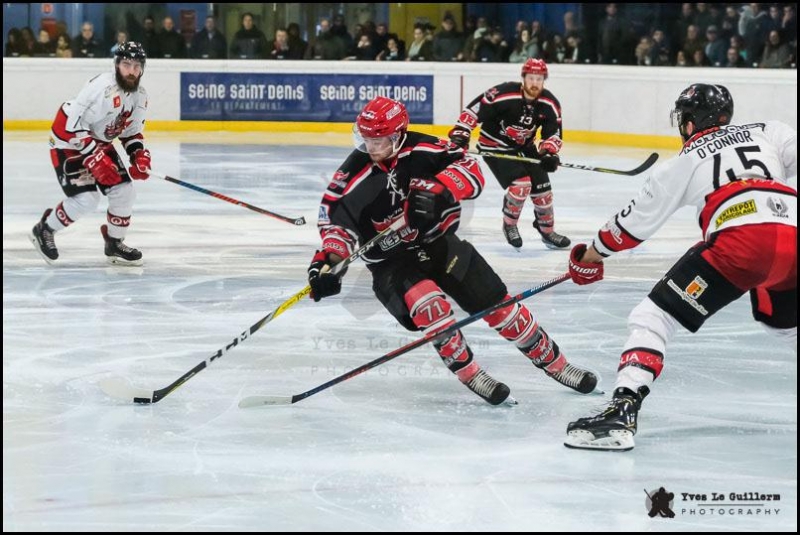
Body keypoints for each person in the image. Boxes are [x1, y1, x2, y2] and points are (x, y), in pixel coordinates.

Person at [308, 96, 597, 405]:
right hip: (392, 265)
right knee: (430, 306)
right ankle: (472, 373)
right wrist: (329, 264)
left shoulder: (425, 149)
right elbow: (336, 228)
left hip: (439, 245)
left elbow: (471, 170)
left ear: (400, 133)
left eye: (381, 139)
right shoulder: (350, 176)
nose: (372, 147)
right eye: (366, 139)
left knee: (500, 306)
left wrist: (442, 189)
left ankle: (557, 365)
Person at [564, 84, 797, 451]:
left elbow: (630, 226)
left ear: (690, 122)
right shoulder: (769, 130)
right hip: (794, 232)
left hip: (742, 242)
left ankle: (621, 412)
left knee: (652, 318)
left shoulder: (686, 160)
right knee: (786, 326)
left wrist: (590, 255)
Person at [30, 42, 151, 266]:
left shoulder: (140, 96)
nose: (131, 71)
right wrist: (94, 158)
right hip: (69, 140)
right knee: (86, 199)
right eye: (126, 64)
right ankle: (44, 229)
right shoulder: (100, 88)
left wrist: (138, 155)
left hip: (98, 139)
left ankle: (114, 242)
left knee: (125, 191)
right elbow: (73, 125)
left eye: (136, 66)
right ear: (117, 64)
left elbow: (131, 134)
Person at [448, 58, 570, 251]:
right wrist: (461, 134)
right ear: (523, 78)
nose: (535, 83)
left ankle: (547, 231)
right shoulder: (503, 93)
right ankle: (510, 225)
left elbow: (553, 132)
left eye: (539, 79)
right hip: (494, 146)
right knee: (521, 184)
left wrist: (548, 153)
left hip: (524, 147)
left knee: (543, 191)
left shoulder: (549, 103)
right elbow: (473, 111)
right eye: (531, 78)